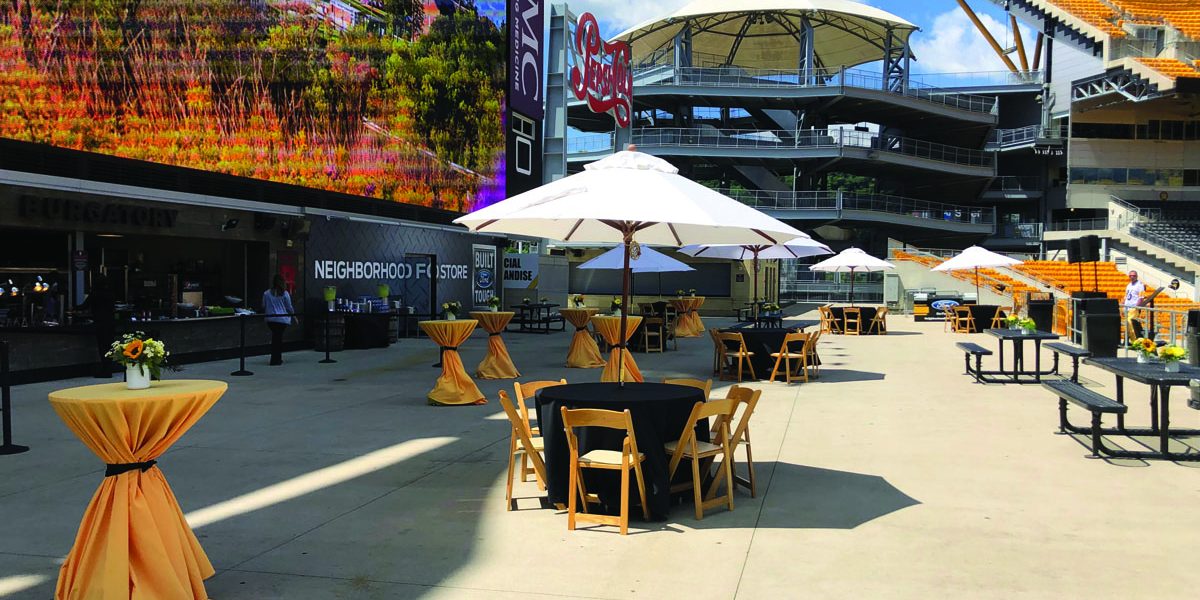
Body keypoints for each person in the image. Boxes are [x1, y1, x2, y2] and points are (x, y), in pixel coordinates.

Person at [85, 274, 115, 378]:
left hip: (100, 323)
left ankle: (105, 370)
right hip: (110, 322)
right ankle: (108, 369)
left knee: (102, 347)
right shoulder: (110, 293)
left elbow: (84, 306)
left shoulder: (95, 294)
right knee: (109, 346)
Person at [263, 274, 296, 366]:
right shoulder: (285, 294)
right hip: (282, 319)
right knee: (278, 338)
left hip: (270, 319)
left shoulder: (266, 293)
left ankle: (275, 358)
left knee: (275, 338)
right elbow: (289, 307)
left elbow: (263, 306)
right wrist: (294, 315)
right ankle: (277, 359)